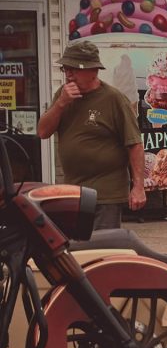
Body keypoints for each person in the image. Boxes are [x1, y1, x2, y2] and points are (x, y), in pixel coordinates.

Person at [38, 40, 145, 230]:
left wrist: (138, 187)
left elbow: (134, 144)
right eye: (65, 69)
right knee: (77, 252)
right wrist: (61, 104)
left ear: (93, 70)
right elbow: (43, 132)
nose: (68, 75)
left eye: (74, 69)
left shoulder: (114, 99)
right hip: (73, 192)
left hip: (105, 194)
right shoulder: (62, 96)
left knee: (102, 250)